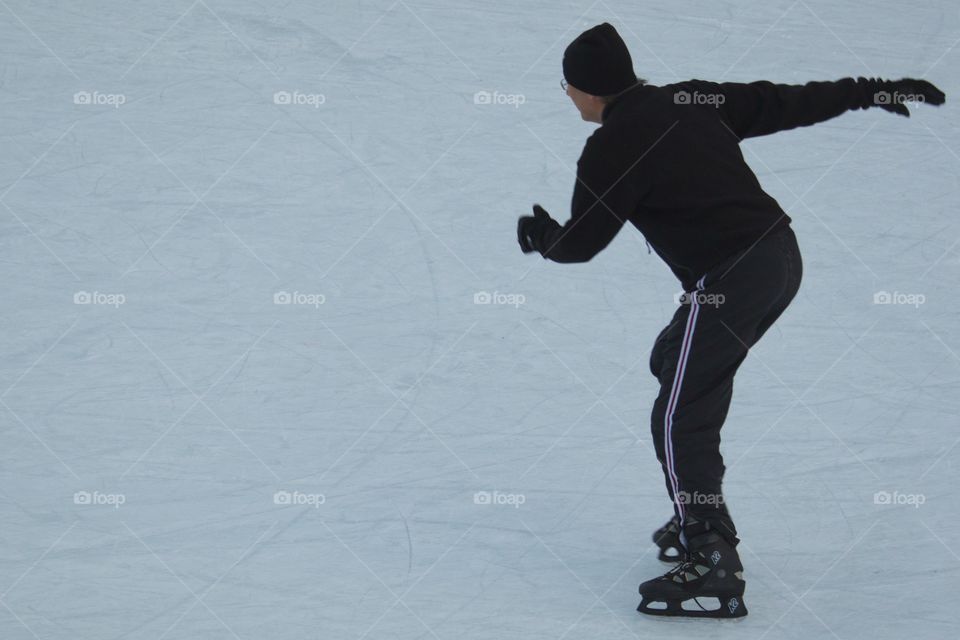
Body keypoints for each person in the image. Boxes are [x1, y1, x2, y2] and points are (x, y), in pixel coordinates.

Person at [517, 22, 945, 619]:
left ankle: (711, 558)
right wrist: (869, 89)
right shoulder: (690, 99)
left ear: (587, 89)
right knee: (672, 363)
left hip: (733, 276)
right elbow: (782, 101)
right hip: (779, 257)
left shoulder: (611, 147)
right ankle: (699, 513)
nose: (567, 96)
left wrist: (542, 236)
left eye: (565, 86)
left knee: (679, 413)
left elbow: (582, 243)